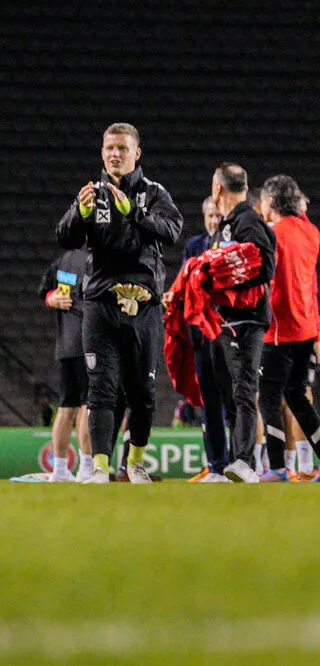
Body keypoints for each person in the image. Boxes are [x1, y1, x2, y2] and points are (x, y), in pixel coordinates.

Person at [56, 123, 183, 484]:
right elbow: (65, 238)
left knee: (143, 392)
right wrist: (77, 215)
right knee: (101, 390)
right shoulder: (90, 195)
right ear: (102, 152)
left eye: (122, 148)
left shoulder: (154, 193)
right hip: (100, 305)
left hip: (144, 306)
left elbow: (172, 231)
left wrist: (134, 214)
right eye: (109, 148)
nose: (115, 154)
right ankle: (99, 467)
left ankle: (136, 463)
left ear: (136, 153)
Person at [256, 175, 320, 482]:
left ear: (270, 201)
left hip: (279, 331)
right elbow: (311, 285)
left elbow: (262, 282)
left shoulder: (270, 235)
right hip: (306, 330)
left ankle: (278, 468)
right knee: (296, 395)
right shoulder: (311, 232)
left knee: (267, 397)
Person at [206, 163, 277, 483]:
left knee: (246, 390)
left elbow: (266, 263)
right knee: (232, 393)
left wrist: (231, 274)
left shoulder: (247, 220)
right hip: (226, 320)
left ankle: (247, 462)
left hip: (246, 320)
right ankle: (234, 461)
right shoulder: (230, 224)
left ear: (217, 188)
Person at [181, 198, 231, 481]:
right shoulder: (194, 246)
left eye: (218, 215)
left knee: (234, 401)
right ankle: (215, 465)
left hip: (226, 335)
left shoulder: (232, 245)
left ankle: (240, 461)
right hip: (201, 337)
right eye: (210, 216)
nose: (214, 221)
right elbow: (185, 284)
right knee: (208, 402)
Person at [38, 246, 91, 482]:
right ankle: (87, 467)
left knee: (66, 407)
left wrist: (52, 299)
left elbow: (45, 291)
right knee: (88, 407)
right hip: (88, 342)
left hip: (66, 345)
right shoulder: (95, 260)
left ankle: (59, 470)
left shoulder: (63, 260)